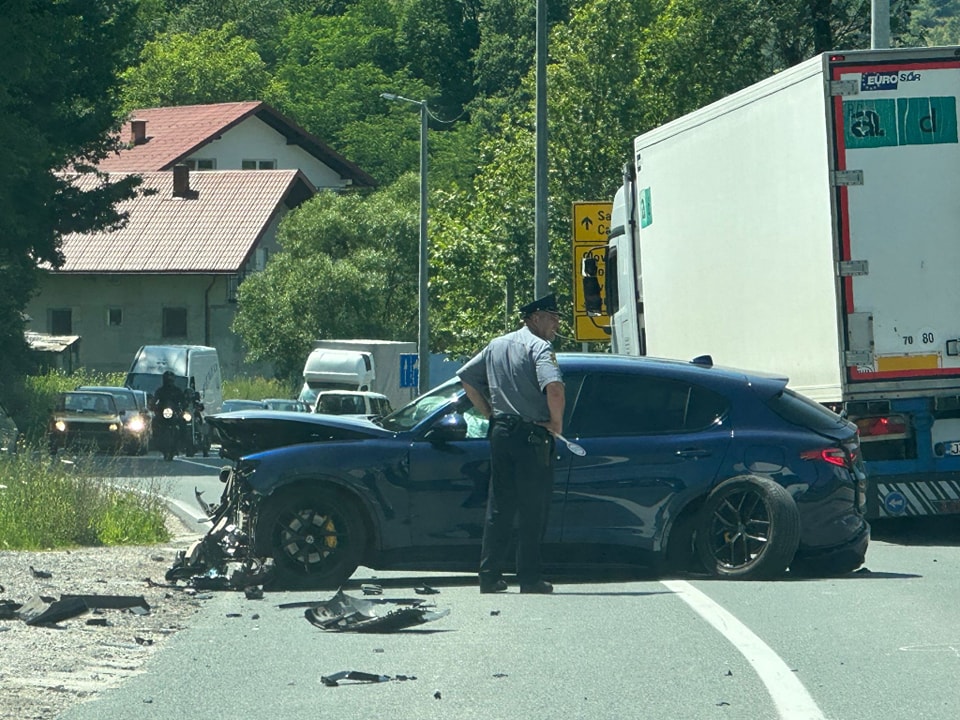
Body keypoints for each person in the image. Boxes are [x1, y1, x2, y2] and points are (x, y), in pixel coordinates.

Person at [457, 293, 565, 594]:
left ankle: (489, 576)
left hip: (502, 432)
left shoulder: (496, 345)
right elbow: (554, 388)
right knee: (533, 507)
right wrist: (556, 425)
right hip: (532, 435)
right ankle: (529, 578)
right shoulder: (540, 347)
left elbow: (466, 377)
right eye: (551, 316)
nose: (556, 322)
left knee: (500, 506)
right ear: (534, 317)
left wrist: (489, 413)